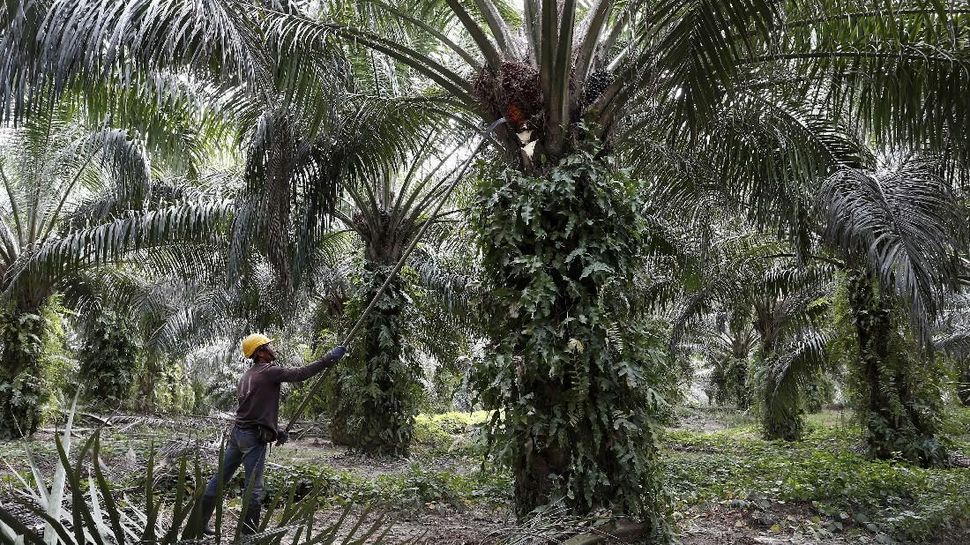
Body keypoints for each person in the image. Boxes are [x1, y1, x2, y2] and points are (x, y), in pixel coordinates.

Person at [198, 333, 347, 535]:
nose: (273, 348)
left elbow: (254, 412)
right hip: (252, 439)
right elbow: (300, 374)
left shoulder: (247, 376)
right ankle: (248, 536)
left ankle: (199, 524)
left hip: (237, 435)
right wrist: (328, 358)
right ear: (261, 352)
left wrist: (275, 432)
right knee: (254, 490)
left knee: (219, 479)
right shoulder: (269, 372)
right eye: (269, 346)